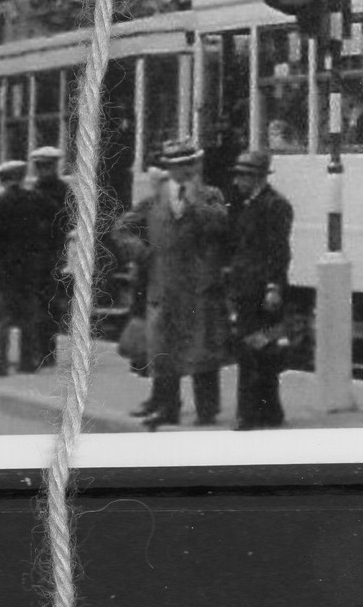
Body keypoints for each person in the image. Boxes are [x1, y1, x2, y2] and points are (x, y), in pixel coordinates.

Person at [124, 138, 231, 429]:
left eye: (188, 164)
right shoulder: (156, 198)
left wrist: (195, 200)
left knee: (203, 350)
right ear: (168, 167)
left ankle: (207, 410)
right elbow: (122, 228)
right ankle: (167, 408)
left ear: (196, 165)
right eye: (176, 165)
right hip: (164, 283)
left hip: (199, 285)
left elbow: (221, 224)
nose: (183, 171)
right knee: (163, 348)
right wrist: (142, 253)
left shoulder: (210, 195)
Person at [226, 150, 294, 429]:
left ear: (256, 178)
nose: (237, 181)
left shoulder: (274, 206)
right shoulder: (250, 204)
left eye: (242, 176)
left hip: (262, 292)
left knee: (254, 350)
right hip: (248, 289)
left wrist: (273, 287)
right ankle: (270, 412)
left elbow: (278, 251)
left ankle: (249, 414)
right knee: (260, 349)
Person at [0, 160, 56, 375]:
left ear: (2, 179)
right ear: (22, 178)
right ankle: (28, 360)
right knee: (28, 314)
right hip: (30, 266)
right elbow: (52, 224)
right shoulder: (38, 199)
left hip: (3, 268)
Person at [28, 146, 71, 367]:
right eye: (40, 166)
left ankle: (45, 351)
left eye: (46, 166)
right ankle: (43, 350)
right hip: (43, 252)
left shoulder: (59, 190)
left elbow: (67, 219)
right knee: (43, 302)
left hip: (49, 252)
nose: (42, 170)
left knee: (45, 302)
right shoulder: (41, 188)